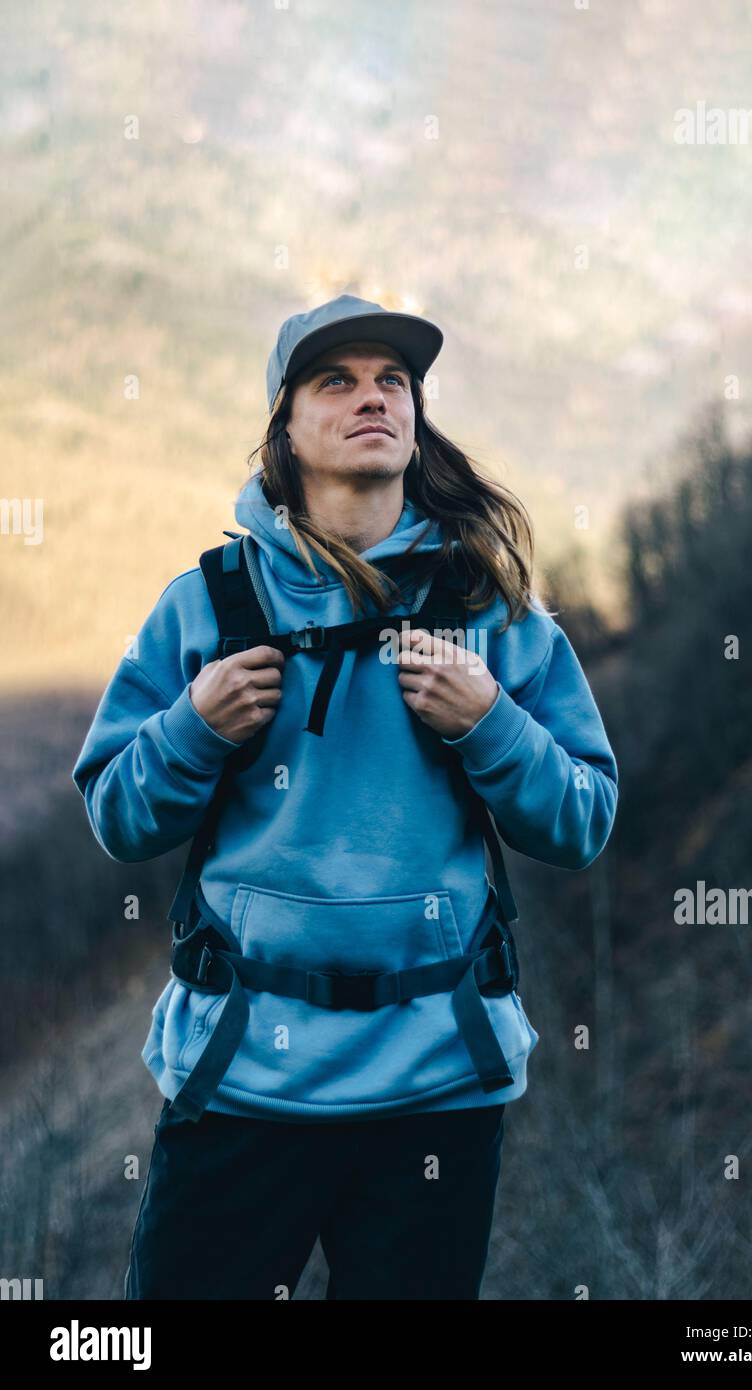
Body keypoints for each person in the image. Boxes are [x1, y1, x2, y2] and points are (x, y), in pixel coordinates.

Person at [71, 294, 618, 1300]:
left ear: (414, 422)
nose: (372, 397)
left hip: (436, 1082)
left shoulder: (485, 608)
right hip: (241, 1079)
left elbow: (582, 817)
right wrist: (193, 725)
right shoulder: (210, 604)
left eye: (392, 381)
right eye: (336, 379)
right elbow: (117, 812)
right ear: (284, 427)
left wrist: (487, 719)